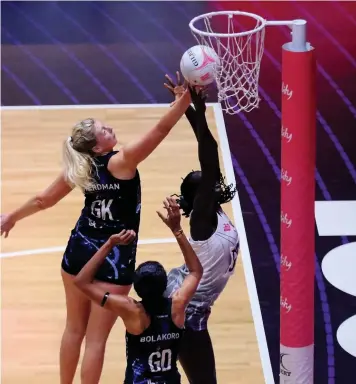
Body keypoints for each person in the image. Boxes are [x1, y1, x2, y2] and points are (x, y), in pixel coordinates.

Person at [0, 89, 191, 384]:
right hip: (114, 262)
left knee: (74, 329)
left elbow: (43, 201)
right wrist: (183, 104)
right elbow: (161, 129)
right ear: (98, 148)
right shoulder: (123, 161)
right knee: (96, 340)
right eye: (103, 130)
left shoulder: (81, 167)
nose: (109, 128)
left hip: (79, 251)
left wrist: (11, 216)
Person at [73, 197, 203, 384]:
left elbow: (82, 282)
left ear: (137, 288)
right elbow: (196, 271)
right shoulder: (177, 305)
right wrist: (177, 230)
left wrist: (109, 243)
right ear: (165, 284)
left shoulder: (130, 309)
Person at [163, 73, 239, 384]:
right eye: (201, 182)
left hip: (185, 294)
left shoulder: (212, 210)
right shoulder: (200, 221)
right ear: (199, 196)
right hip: (184, 310)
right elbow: (210, 163)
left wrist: (189, 109)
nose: (205, 177)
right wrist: (198, 107)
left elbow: (211, 159)